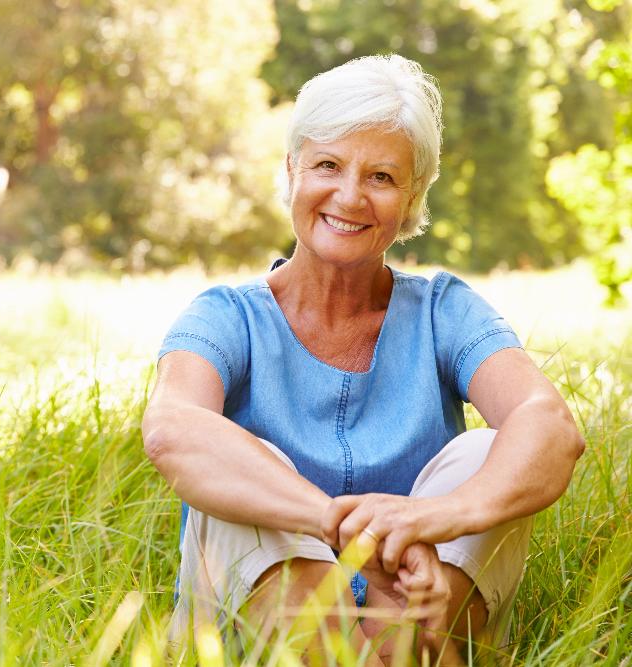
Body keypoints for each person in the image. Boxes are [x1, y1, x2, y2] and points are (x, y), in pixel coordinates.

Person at [141, 54, 584, 664]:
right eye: (328, 165)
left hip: (415, 607)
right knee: (245, 462)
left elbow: (551, 425)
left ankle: (410, 652)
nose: (349, 196)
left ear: (412, 198)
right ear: (292, 168)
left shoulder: (443, 311)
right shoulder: (225, 316)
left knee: (488, 451)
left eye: (381, 177)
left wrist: (434, 521)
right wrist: (346, 528)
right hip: (263, 626)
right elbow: (172, 431)